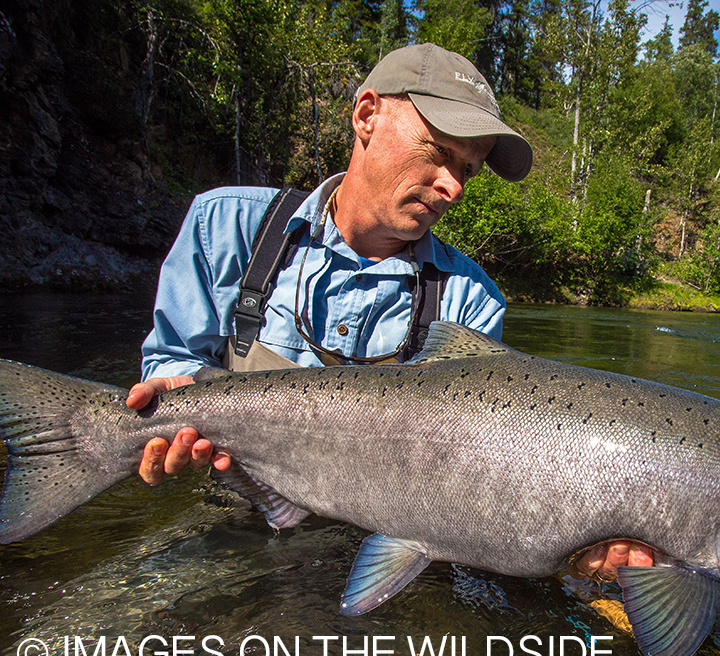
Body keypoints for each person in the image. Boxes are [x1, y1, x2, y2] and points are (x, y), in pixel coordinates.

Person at [126, 43, 651, 580]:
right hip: (235, 508)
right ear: (367, 115)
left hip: (378, 541)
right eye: (438, 153)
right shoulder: (229, 227)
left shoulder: (472, 299)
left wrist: (570, 539)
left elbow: (476, 477)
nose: (452, 188)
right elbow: (170, 362)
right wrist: (167, 405)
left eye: (467, 172)